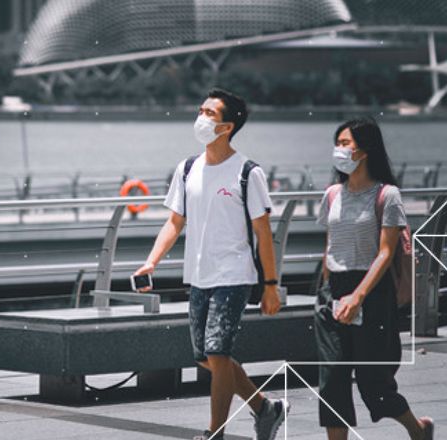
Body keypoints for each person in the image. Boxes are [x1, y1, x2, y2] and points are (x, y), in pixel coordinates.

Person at [134, 88, 288, 440]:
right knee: (205, 357)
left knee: (218, 354)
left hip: (233, 275)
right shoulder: (188, 168)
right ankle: (266, 408)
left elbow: (263, 233)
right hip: (198, 276)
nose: (201, 118)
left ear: (227, 127)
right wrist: (151, 262)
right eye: (200, 110)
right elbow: (174, 222)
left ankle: (214, 433)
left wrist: (270, 285)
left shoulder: (248, 172)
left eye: (210, 114)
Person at [315, 117, 434, 440]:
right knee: (332, 380)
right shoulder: (331, 195)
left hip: (372, 291)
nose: (338, 150)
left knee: (375, 383)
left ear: (364, 150)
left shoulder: (387, 195)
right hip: (333, 292)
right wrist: (328, 292)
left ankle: (418, 429)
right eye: (337, 143)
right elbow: (330, 244)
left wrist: (358, 297)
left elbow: (385, 252)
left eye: (345, 143)